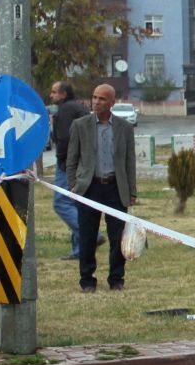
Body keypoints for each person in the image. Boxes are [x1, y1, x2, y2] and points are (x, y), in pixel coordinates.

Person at [66, 84, 136, 293]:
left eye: (102, 99)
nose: (96, 102)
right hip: (89, 188)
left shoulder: (124, 127)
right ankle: (87, 280)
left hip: (115, 188)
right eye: (94, 97)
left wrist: (132, 191)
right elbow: (71, 160)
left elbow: (129, 161)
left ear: (112, 103)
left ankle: (116, 279)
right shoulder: (80, 125)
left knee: (117, 237)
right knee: (87, 236)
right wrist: (73, 186)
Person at [48, 80, 89, 259]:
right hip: (84, 163)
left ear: (64, 94)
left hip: (69, 165)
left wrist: (62, 160)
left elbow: (64, 138)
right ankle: (80, 249)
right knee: (76, 205)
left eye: (54, 92)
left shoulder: (65, 110)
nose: (51, 95)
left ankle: (92, 236)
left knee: (62, 203)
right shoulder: (80, 108)